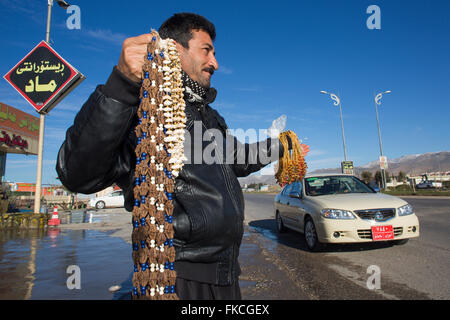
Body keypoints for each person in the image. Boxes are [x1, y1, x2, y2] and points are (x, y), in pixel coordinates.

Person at [56, 12, 291, 300]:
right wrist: (121, 84)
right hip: (176, 277)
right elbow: (76, 172)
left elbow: (238, 157)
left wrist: (280, 145)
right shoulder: (143, 110)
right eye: (206, 51)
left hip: (226, 275)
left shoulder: (209, 117)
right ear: (175, 49)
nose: (215, 63)